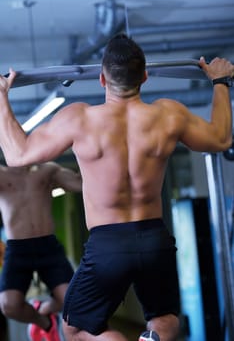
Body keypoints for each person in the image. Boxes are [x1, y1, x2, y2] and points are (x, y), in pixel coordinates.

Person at [0, 33, 233, 341]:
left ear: (101, 79)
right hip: (154, 238)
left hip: (107, 245)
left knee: (76, 328)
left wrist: (2, 97)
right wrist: (220, 83)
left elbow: (17, 155)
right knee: (165, 319)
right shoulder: (168, 115)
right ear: (145, 76)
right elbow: (220, 138)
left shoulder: (80, 119)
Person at [0, 162, 82, 341]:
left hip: (48, 247)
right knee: (9, 305)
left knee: (72, 302)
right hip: (17, 250)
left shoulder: (48, 170)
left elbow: (79, 184)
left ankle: (45, 308)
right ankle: (45, 323)